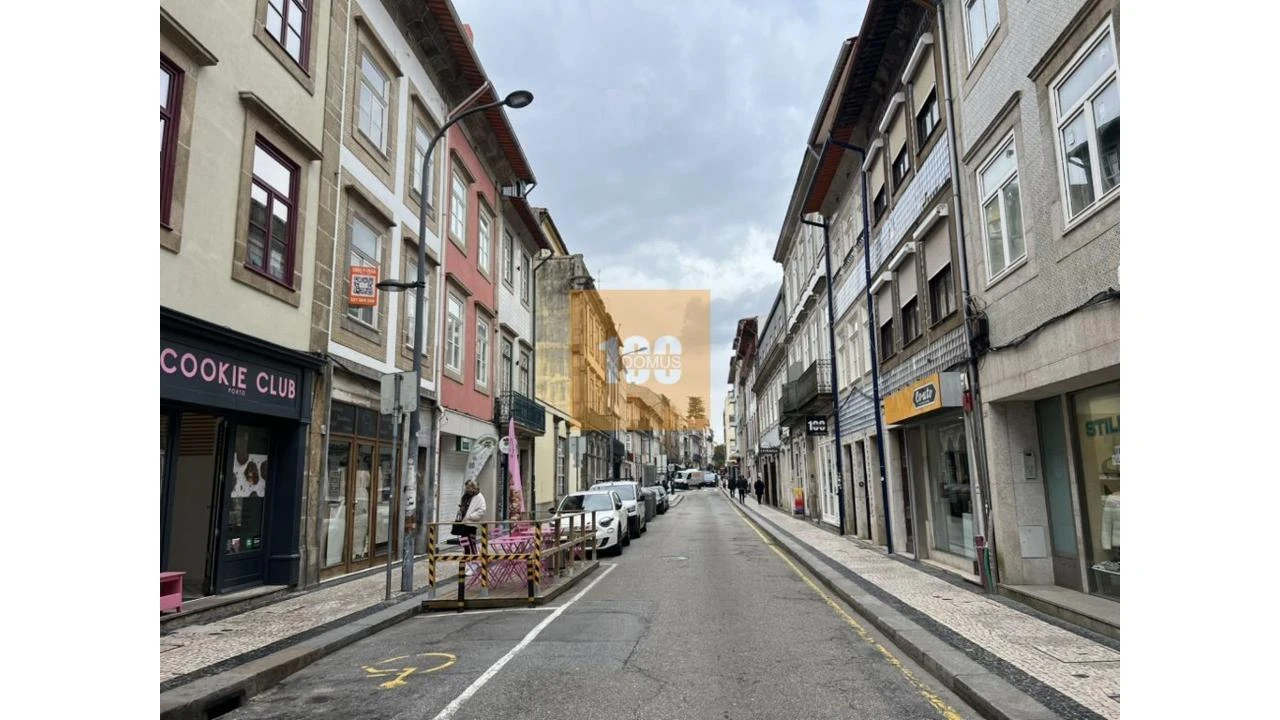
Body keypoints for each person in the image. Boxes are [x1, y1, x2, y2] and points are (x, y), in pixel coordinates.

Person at [454, 480, 487, 575]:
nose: (467, 489)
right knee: (465, 545)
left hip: (472, 524)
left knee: (471, 544)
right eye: (466, 487)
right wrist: (461, 510)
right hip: (463, 523)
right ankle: (468, 564)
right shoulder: (465, 496)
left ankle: (474, 563)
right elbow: (463, 506)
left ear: (473, 487)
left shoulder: (479, 497)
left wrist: (470, 516)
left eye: (468, 487)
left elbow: (482, 510)